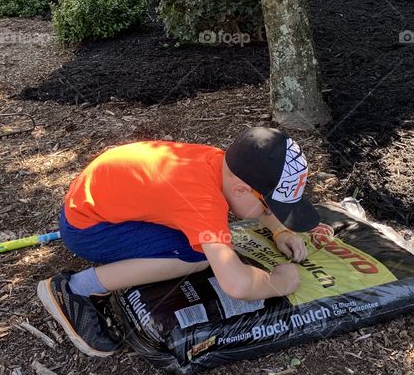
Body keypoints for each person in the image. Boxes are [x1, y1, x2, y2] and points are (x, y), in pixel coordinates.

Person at [38, 126, 320, 357]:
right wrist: (281, 282)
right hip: (88, 230)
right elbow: (237, 284)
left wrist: (279, 230)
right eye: (269, 206)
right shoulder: (203, 201)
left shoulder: (220, 163)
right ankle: (77, 289)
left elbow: (244, 199)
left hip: (92, 207)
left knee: (200, 244)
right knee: (194, 254)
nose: (271, 214)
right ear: (241, 189)